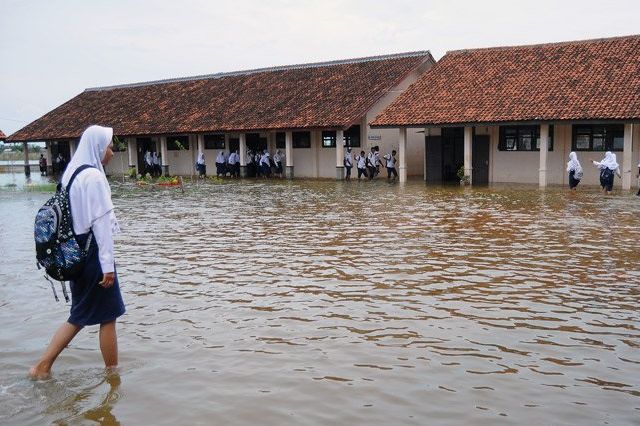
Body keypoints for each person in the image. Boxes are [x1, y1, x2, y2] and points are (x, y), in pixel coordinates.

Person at [29, 125, 125, 380]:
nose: (112, 152)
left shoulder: (71, 173)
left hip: (74, 251)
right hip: (92, 253)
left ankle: (44, 366)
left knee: (79, 315)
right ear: (97, 147)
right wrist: (107, 266)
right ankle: (112, 375)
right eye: (109, 146)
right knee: (108, 316)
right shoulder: (93, 177)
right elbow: (101, 224)